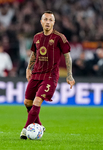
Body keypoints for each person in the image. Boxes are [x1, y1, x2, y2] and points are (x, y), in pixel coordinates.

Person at [20, 11, 75, 139]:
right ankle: (39, 125)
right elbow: (34, 54)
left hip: (50, 76)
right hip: (36, 74)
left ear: (53, 23)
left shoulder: (59, 38)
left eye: (50, 20)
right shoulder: (36, 37)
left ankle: (25, 129)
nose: (48, 22)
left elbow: (68, 57)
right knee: (27, 102)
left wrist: (70, 75)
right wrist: (29, 68)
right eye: (45, 19)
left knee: (38, 100)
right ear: (41, 22)